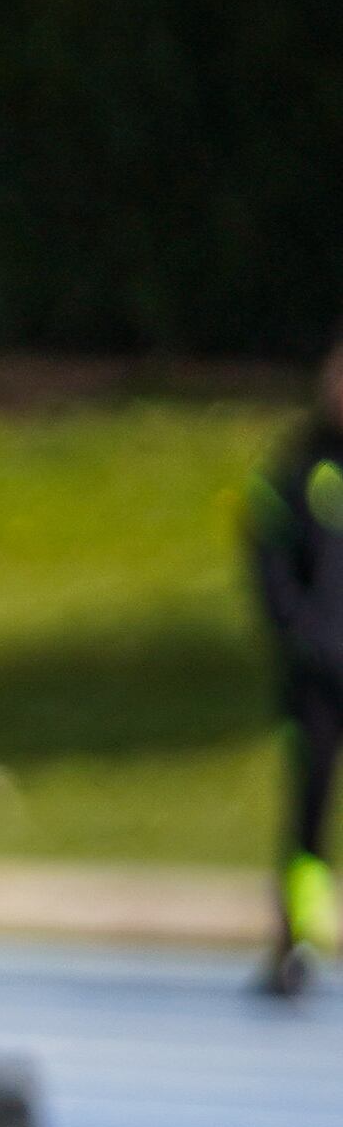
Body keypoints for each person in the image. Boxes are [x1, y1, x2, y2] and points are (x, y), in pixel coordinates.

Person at [249, 329, 343, 999]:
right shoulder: (299, 467)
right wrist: (299, 632)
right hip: (316, 672)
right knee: (309, 806)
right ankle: (295, 944)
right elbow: (267, 557)